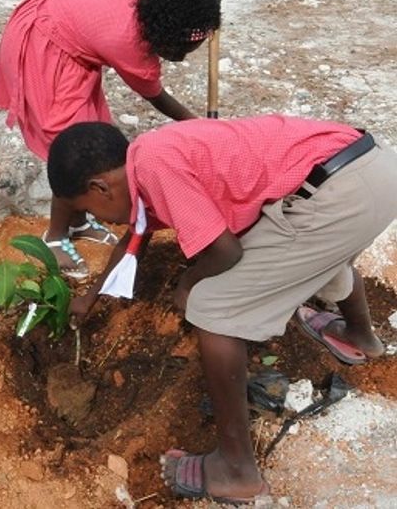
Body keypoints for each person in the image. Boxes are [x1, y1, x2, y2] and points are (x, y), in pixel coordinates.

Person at [49, 116, 397, 502]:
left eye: (92, 211)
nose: (100, 220)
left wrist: (188, 282)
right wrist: (90, 297)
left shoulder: (156, 168)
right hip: (370, 169)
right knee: (306, 246)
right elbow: (135, 238)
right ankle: (359, 336)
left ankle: (236, 470)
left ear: (100, 187)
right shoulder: (148, 156)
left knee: (211, 307)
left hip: (341, 198)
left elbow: (225, 252)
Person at [0, 0, 229, 278]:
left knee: (96, 131)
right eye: (183, 51)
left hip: (76, 40)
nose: (184, 57)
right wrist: (201, 127)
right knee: (74, 150)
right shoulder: (129, 45)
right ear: (162, 40)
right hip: (47, 43)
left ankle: (77, 220)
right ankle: (56, 236)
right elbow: (157, 97)